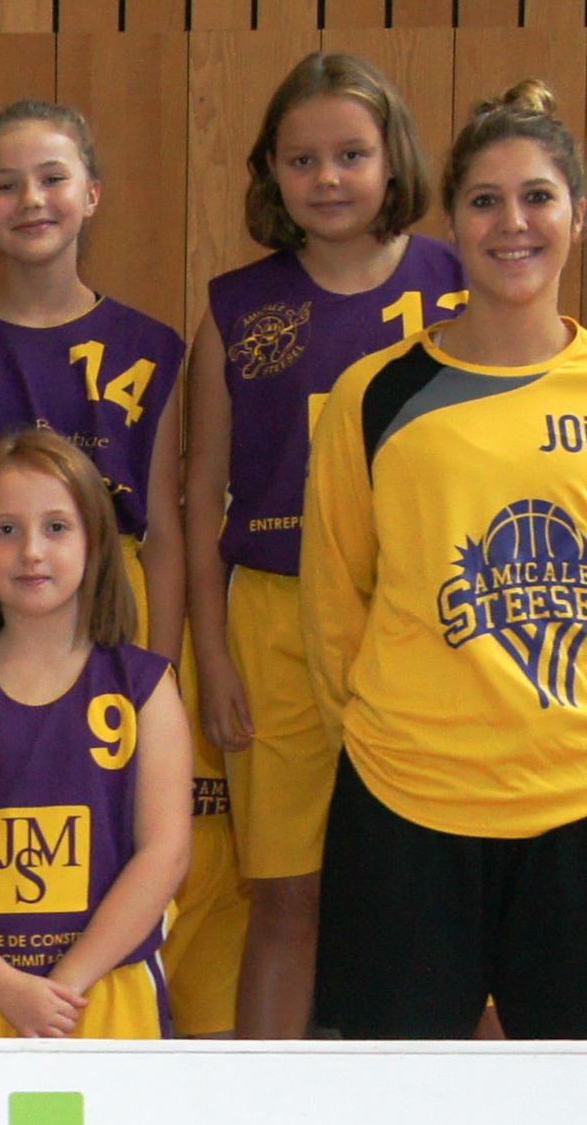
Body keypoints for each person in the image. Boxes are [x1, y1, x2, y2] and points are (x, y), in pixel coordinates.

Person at [304, 81, 587, 1041]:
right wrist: (396, 735)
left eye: (537, 198)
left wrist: (578, 723)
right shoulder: (373, 394)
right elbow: (333, 600)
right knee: (391, 1105)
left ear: (578, 215)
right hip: (405, 803)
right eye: (484, 200)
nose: (511, 223)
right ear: (451, 223)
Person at [0, 97, 240, 1036]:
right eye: (4, 184)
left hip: (109, 599)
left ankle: (87, 989)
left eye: (52, 178)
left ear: (91, 193)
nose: (31, 200)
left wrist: (158, 664)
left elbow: (167, 529)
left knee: (114, 831)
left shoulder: (150, 346)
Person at [181, 53, 467, 1038]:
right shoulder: (236, 309)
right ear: (270, 170)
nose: (329, 177)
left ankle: (472, 1110)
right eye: (301, 159)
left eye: (351, 154)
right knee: (288, 891)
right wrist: (213, 654)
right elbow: (200, 495)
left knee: (443, 890)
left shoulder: (460, 288)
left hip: (423, 615)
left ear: (394, 159)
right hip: (276, 616)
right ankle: (270, 1114)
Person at [0, 428, 193, 1040]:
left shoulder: (145, 688)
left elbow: (165, 852)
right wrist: (6, 987)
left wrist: (65, 987)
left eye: (56, 527)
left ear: (96, 542)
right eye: (6, 530)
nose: (31, 551)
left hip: (101, 994)